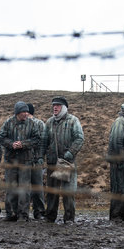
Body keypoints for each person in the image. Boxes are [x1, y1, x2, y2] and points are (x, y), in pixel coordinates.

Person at [42, 96, 84, 224]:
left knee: (68, 192)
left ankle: (69, 218)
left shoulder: (73, 121)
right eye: (54, 105)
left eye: (58, 105)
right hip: (52, 163)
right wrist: (40, 157)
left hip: (66, 163)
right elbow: (44, 141)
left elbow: (79, 138)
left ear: (64, 108)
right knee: (52, 192)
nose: (55, 107)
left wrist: (70, 153)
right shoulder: (49, 122)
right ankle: (50, 217)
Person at [0, 101, 42, 222]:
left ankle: (23, 215)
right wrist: (11, 144)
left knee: (24, 189)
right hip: (11, 160)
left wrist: (23, 144)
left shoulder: (32, 124)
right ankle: (11, 213)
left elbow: (37, 139)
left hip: (26, 160)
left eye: (27, 111)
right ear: (18, 112)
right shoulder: (8, 123)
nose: (26, 114)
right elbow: (1, 137)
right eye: (23, 111)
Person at [26, 103, 46, 220]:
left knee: (37, 187)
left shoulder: (39, 124)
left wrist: (40, 157)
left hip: (36, 160)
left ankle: (39, 212)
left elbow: (43, 142)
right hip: (25, 161)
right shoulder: (21, 124)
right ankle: (25, 212)